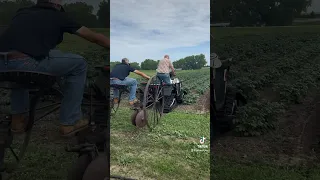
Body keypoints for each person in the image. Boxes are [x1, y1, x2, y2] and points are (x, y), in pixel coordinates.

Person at [0, 0, 110, 137]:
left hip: (3, 63)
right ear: (57, 5)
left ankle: (17, 121)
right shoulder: (58, 16)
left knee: (19, 76)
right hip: (26, 62)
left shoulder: (22, 12)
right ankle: (70, 122)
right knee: (79, 64)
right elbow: (94, 38)